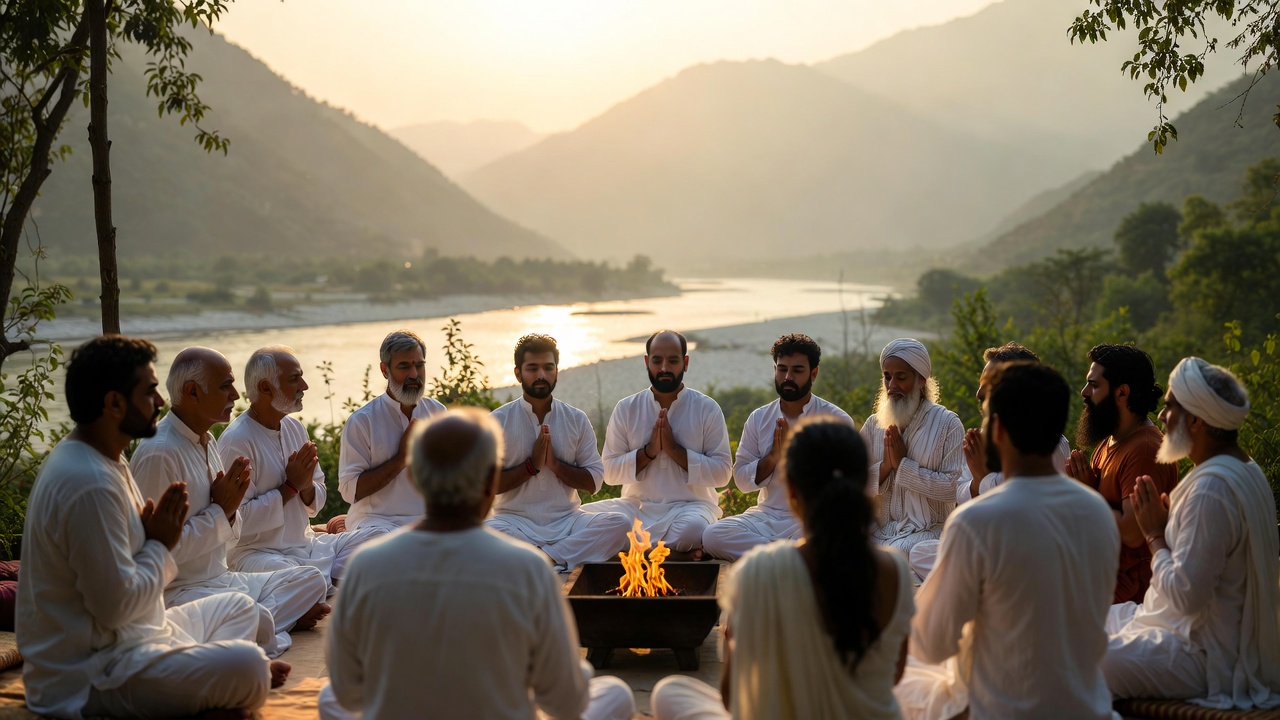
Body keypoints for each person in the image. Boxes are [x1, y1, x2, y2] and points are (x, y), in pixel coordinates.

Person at [17, 336, 277, 719]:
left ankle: (201, 678)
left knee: (245, 611)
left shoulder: (105, 458)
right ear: (113, 403)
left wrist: (157, 540)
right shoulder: (88, 482)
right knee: (249, 667)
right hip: (91, 674)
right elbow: (115, 608)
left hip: (141, 635)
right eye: (150, 391)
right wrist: (159, 544)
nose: (160, 403)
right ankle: (211, 680)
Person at [319, 409, 635, 720]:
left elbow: (348, 691)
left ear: (414, 477)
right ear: (490, 480)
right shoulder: (528, 569)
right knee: (614, 692)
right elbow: (563, 702)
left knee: (328, 696)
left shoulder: (367, 565)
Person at [652, 417, 913, 720]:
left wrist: (733, 636)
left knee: (669, 693)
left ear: (791, 490)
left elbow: (732, 697)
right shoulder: (896, 569)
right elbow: (895, 676)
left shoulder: (758, 573)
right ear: (859, 485)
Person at [898, 363, 1119, 720]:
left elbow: (931, 644)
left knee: (886, 681)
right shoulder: (1096, 511)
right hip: (1086, 707)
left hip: (1003, 710)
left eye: (985, 417)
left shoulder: (977, 521)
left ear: (997, 429)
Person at [1103, 357, 1280, 710]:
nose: (1163, 418)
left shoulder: (1211, 488)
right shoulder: (1242, 468)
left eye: (1170, 408)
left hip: (1206, 657)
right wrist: (1170, 527)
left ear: (1196, 419)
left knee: (1075, 656)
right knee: (1072, 614)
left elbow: (1187, 598)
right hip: (1192, 634)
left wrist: (1154, 532)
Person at [131, 347, 330, 658]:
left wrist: (229, 512)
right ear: (192, 392)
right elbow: (157, 551)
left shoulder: (205, 441)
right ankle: (261, 625)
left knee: (310, 580)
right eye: (225, 386)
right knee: (253, 613)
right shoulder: (161, 453)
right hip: (183, 592)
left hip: (222, 579)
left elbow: (229, 530)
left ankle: (255, 625)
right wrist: (222, 511)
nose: (236, 395)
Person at [218, 346, 383, 590]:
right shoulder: (237, 440)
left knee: (380, 538)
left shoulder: (295, 429)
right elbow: (236, 523)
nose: (304, 386)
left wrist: (306, 486)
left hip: (310, 548)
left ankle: (322, 587)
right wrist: (290, 487)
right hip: (259, 556)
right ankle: (325, 585)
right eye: (295, 379)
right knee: (305, 578)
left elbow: (316, 502)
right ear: (266, 388)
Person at [908, 342, 1071, 579]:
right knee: (921, 552)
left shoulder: (1049, 444)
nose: (978, 395)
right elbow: (960, 493)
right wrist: (978, 481)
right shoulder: (984, 440)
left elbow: (1020, 509)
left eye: (988, 387)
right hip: (989, 542)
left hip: (1027, 549)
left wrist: (983, 478)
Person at [702, 333, 854, 561]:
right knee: (713, 534)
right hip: (767, 517)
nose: (787, 377)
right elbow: (742, 482)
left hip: (812, 518)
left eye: (797, 370)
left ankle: (777, 558)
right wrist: (772, 458)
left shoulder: (836, 421)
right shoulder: (759, 418)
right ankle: (792, 557)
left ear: (814, 373)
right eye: (782, 369)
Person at [487, 334, 631, 571]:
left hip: (568, 522)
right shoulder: (497, 421)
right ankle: (559, 557)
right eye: (532, 368)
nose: (541, 375)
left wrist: (555, 465)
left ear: (557, 371)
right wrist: (531, 466)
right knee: (486, 532)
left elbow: (594, 481)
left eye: (548, 367)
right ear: (517, 373)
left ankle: (543, 559)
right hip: (513, 523)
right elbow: (486, 486)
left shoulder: (575, 418)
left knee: (620, 523)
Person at [593, 330, 732, 560]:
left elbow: (723, 474)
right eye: (657, 360)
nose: (664, 368)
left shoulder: (707, 409)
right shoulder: (627, 408)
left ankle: (631, 554)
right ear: (647, 362)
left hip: (691, 509)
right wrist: (648, 452)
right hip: (636, 508)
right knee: (582, 518)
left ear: (685, 363)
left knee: (693, 530)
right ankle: (678, 556)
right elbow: (609, 472)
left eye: (673, 360)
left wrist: (674, 450)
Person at [1066, 343, 1179, 604]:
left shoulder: (1145, 449)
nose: (1084, 393)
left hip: (1134, 603)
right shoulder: (1109, 442)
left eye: (1093, 385)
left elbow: (1132, 531)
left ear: (1122, 392)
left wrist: (1087, 494)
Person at [859, 338, 964, 570]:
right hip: (881, 530)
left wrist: (904, 466)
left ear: (921, 380)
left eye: (901, 377)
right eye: (887, 376)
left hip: (928, 532)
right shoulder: (873, 425)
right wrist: (886, 466)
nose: (892, 385)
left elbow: (952, 488)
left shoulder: (948, 424)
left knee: (897, 557)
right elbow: (853, 483)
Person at [339, 330, 447, 532]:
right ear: (384, 370)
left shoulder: (438, 412)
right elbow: (349, 491)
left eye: (419, 365)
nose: (414, 375)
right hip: (376, 522)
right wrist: (401, 459)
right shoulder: (362, 421)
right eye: (404, 366)